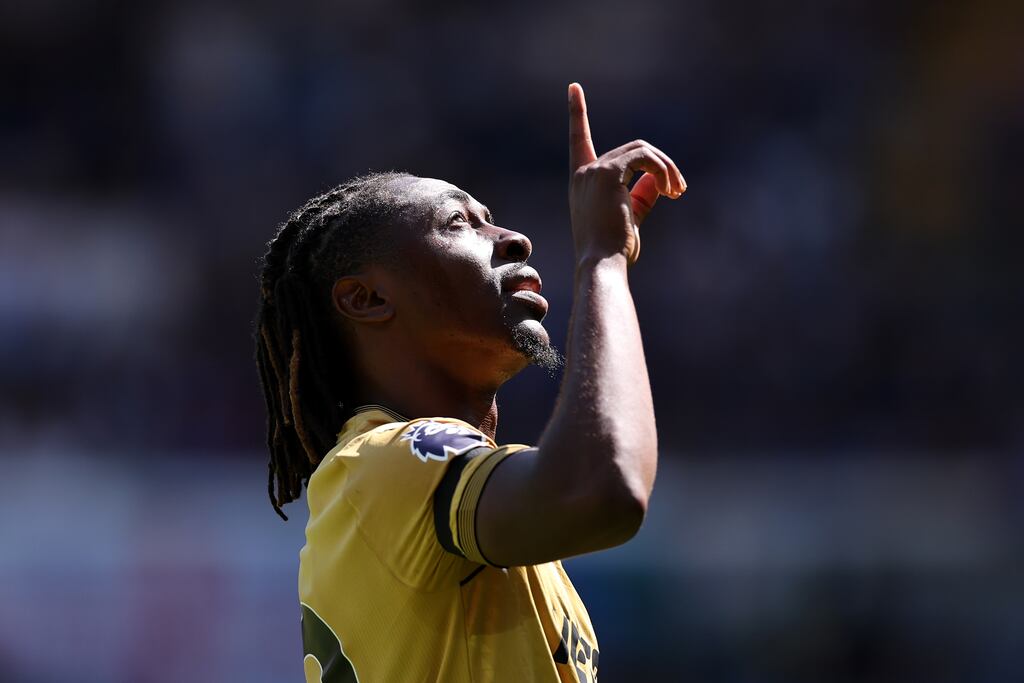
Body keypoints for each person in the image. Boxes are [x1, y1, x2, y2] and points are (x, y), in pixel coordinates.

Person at [254, 82, 685, 683]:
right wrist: (602, 260)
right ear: (369, 298)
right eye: (461, 223)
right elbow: (604, 488)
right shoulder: (387, 461)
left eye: (492, 220)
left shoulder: (438, 496)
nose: (513, 239)